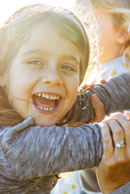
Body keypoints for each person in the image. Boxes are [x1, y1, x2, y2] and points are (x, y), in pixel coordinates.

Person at [0, 4, 129, 194]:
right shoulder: (9, 145)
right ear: (2, 72)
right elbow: (114, 142)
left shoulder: (27, 106)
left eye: (67, 67)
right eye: (35, 62)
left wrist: (90, 107)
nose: (53, 77)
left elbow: (103, 97)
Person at [51, 0, 130, 193]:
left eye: (89, 23)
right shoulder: (103, 71)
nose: (81, 31)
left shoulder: (119, 74)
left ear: (122, 33)